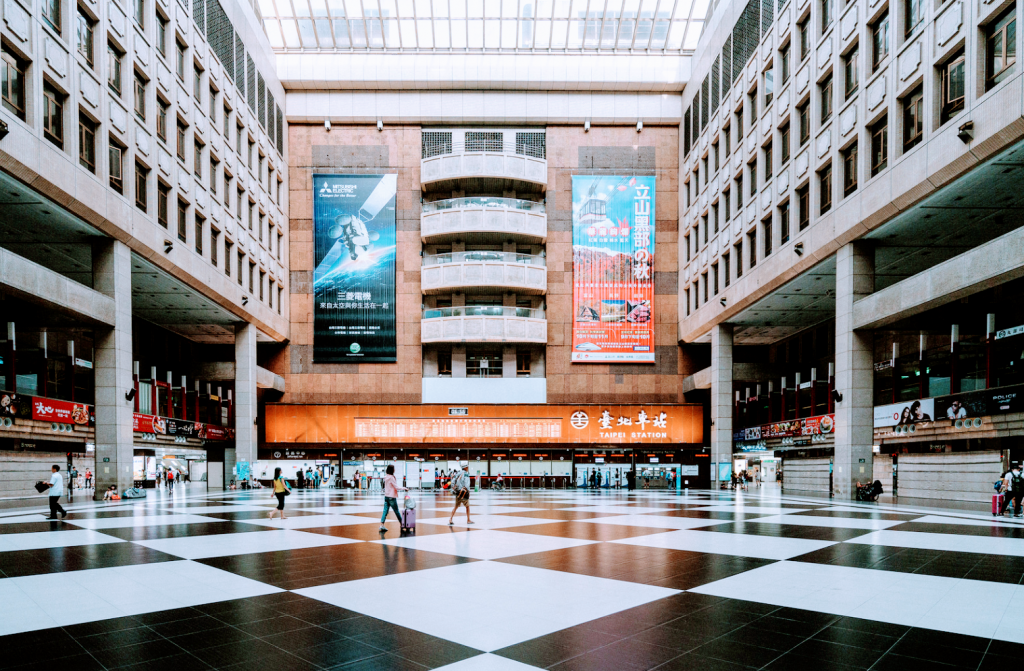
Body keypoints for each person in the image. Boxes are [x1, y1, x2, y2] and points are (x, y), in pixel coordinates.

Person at [379, 465, 408, 532]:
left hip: (386, 496)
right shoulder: (391, 477)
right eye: (394, 468)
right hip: (392, 497)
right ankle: (402, 524)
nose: (394, 469)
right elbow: (396, 487)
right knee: (396, 511)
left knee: (385, 511)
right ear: (392, 470)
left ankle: (381, 525)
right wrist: (404, 488)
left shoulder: (386, 477)